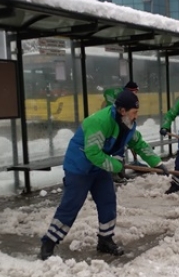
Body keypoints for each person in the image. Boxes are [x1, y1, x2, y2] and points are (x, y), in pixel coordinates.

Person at [40, 90, 169, 260]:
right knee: (71, 204)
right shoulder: (99, 122)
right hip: (80, 166)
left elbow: (137, 142)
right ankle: (49, 242)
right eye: (134, 112)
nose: (136, 116)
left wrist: (156, 163)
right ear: (123, 111)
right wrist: (115, 164)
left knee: (108, 201)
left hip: (100, 166)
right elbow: (92, 153)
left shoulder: (128, 124)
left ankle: (105, 240)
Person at [102, 80, 143, 170]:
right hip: (115, 123)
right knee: (120, 143)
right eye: (135, 92)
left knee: (130, 138)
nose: (136, 94)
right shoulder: (123, 96)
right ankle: (117, 169)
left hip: (122, 122)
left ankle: (129, 163)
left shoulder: (127, 96)